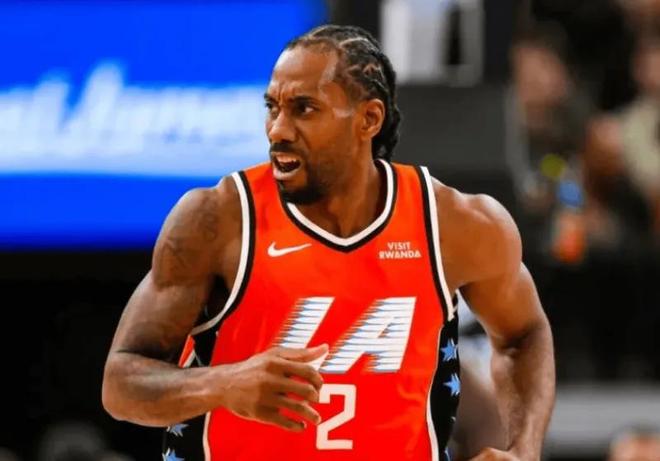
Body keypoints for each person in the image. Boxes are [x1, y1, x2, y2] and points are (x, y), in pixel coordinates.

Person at [102, 25, 555, 461]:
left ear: (369, 119)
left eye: (304, 109)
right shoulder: (218, 219)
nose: (278, 129)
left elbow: (524, 334)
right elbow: (120, 383)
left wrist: (524, 447)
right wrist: (222, 384)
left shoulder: (454, 223)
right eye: (272, 107)